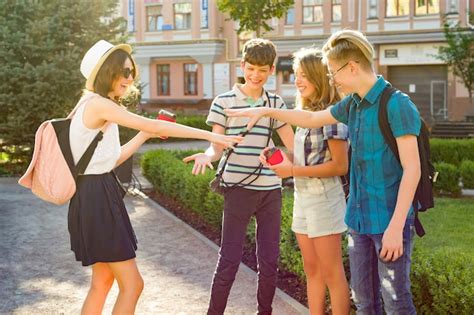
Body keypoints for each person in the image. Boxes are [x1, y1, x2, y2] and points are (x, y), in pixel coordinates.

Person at [226, 30, 421, 314]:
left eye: (333, 72)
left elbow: (412, 169)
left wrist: (395, 227)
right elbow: (311, 117)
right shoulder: (352, 103)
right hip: (359, 219)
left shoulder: (397, 104)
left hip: (390, 220)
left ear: (351, 67)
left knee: (395, 302)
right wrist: (267, 112)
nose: (332, 80)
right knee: (365, 302)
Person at [70, 40, 242, 315]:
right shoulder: (99, 104)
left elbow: (112, 159)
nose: (130, 78)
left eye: (131, 72)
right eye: (124, 72)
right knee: (133, 285)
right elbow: (154, 123)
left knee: (102, 282)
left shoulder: (93, 105)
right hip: (98, 198)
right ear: (106, 73)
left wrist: (144, 135)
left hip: (95, 193)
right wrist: (212, 135)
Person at [183, 38, 294, 315]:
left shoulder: (275, 103)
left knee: (269, 261)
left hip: (270, 190)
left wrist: (278, 157)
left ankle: (264, 312)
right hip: (237, 189)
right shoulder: (224, 102)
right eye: (251, 68)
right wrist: (208, 156)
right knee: (229, 259)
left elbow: (292, 147)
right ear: (242, 65)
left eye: (262, 70)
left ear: (271, 70)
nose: (256, 75)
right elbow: (216, 146)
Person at [259, 47, 350, 314]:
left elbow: (339, 165)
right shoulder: (304, 114)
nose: (297, 80)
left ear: (319, 77)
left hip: (324, 197)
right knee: (311, 269)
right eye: (296, 75)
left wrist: (292, 171)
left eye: (304, 75)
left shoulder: (332, 115)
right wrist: (281, 154)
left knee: (332, 272)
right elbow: (307, 157)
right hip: (303, 196)